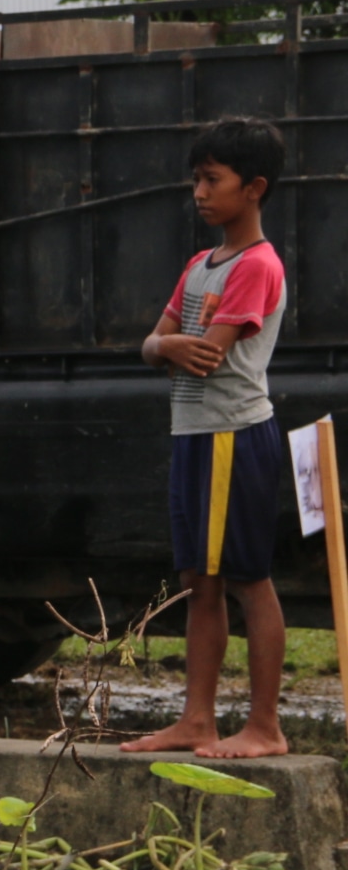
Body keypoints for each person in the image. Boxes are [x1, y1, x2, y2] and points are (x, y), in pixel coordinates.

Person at [125, 115, 292, 760]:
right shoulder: (201, 265)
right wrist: (163, 344)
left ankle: (266, 726)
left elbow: (206, 355)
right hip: (193, 433)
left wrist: (164, 344)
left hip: (233, 437)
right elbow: (159, 344)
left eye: (212, 179)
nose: (199, 191)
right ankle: (197, 719)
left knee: (249, 579)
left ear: (253, 188)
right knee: (199, 579)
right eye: (196, 178)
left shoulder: (256, 264)